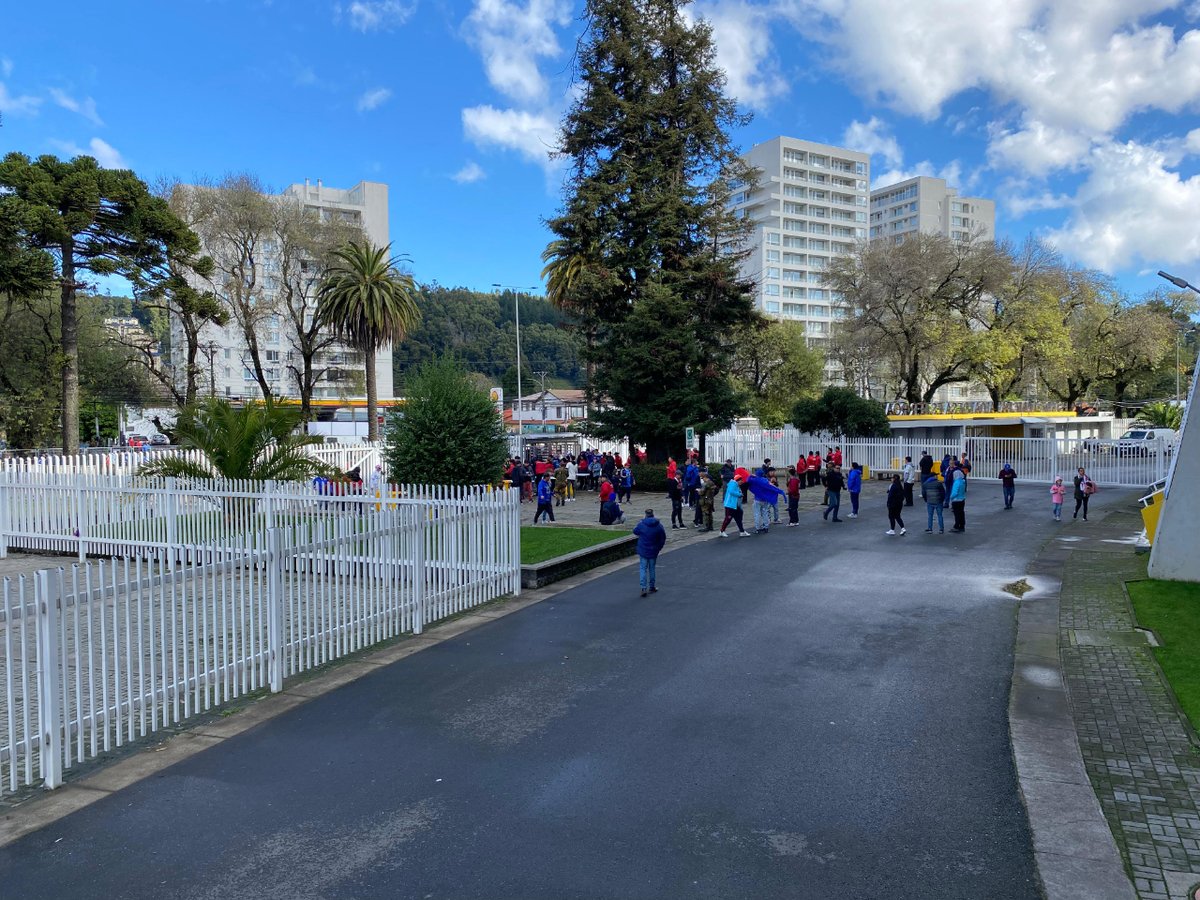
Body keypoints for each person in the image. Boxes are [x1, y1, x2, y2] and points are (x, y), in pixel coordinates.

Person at [633, 508, 667, 597]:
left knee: (643, 568)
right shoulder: (659, 526)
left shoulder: (642, 524)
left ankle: (643, 588)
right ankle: (652, 586)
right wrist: (659, 548)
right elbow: (663, 538)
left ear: (645, 514)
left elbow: (635, 531)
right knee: (652, 568)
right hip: (654, 550)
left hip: (643, 550)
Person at [949, 467, 967, 532]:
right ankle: (962, 526)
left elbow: (954, 492)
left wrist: (951, 497)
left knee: (957, 514)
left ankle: (957, 526)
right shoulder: (963, 482)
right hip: (962, 499)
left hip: (956, 500)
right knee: (961, 513)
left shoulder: (956, 482)